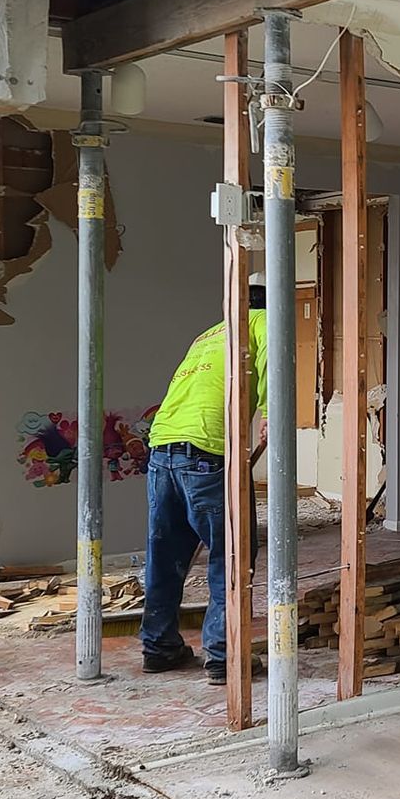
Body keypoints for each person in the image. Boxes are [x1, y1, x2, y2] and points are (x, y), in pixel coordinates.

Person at [139, 278, 267, 683]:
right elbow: (272, 377)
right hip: (208, 454)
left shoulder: (210, 333)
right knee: (231, 555)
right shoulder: (264, 322)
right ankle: (225, 655)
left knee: (165, 554)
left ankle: (159, 647)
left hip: (162, 449)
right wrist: (268, 415)